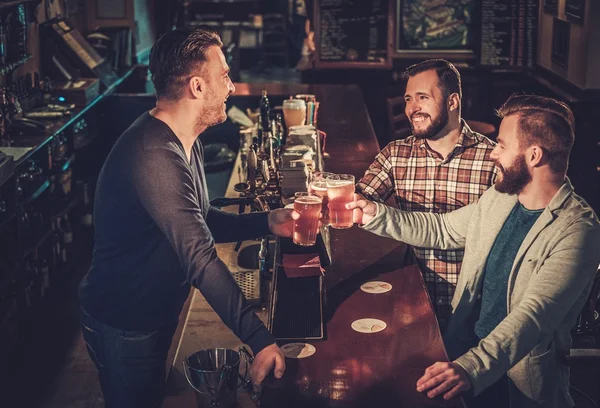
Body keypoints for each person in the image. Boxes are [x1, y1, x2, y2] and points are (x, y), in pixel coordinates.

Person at [78, 28, 293, 407]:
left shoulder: (181, 138)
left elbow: (201, 219)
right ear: (197, 86)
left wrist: (269, 222)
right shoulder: (154, 154)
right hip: (125, 322)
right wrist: (259, 339)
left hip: (151, 314)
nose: (231, 85)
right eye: (224, 75)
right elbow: (199, 257)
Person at [349, 94, 600, 407]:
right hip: (462, 352)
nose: (493, 153)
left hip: (515, 384)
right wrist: (373, 213)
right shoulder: (502, 196)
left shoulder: (577, 230)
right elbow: (443, 229)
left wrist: (469, 368)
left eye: (502, 145)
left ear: (534, 155)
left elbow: (532, 317)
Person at [356, 59, 497, 330]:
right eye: (408, 99)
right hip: (412, 297)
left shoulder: (492, 159)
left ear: (452, 101)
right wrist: (333, 196)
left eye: (423, 97)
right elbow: (362, 198)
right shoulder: (396, 154)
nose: (412, 108)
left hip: (472, 306)